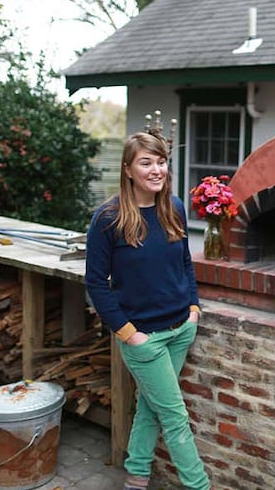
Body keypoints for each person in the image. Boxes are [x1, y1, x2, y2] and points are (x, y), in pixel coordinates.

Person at [84, 132, 210, 490]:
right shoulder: (108, 219)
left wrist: (193, 308)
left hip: (181, 329)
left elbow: (185, 262)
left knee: (151, 407)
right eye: (146, 162)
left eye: (160, 161)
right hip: (144, 339)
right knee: (175, 417)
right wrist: (128, 334)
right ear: (128, 169)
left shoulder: (174, 207)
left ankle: (136, 476)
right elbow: (95, 283)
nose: (156, 170)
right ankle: (199, 485)